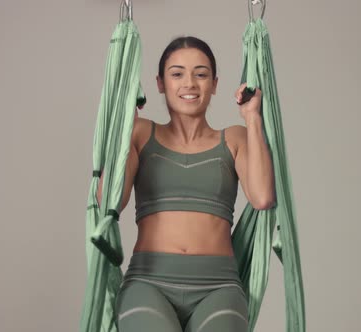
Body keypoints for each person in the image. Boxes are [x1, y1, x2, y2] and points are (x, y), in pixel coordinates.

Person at [96, 36, 276, 332]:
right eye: (177, 74)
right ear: (160, 83)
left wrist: (252, 117)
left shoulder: (234, 138)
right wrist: (123, 125)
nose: (189, 83)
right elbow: (109, 201)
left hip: (218, 288)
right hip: (148, 283)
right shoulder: (140, 133)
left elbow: (262, 197)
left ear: (215, 84)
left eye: (201, 74)